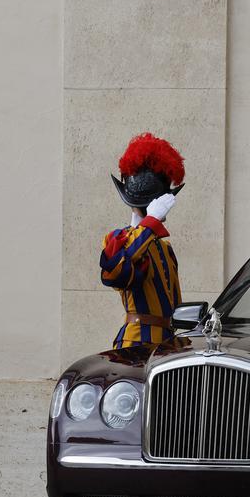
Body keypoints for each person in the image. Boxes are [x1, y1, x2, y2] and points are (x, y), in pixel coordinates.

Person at [99, 132, 185, 349]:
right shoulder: (117, 239)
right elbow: (115, 274)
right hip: (136, 341)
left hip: (167, 343)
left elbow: (175, 306)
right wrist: (150, 221)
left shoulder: (164, 248)